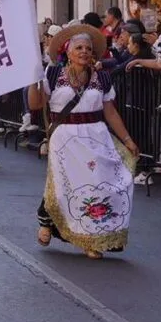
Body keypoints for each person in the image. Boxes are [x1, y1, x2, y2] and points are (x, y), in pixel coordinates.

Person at [28, 24, 138, 259]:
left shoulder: (103, 78)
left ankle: (92, 239)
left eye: (88, 48)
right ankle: (47, 222)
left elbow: (110, 112)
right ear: (68, 52)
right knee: (64, 187)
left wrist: (127, 139)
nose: (84, 52)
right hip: (65, 140)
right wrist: (32, 81)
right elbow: (35, 104)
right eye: (79, 48)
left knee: (101, 186)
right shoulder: (53, 75)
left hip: (97, 138)